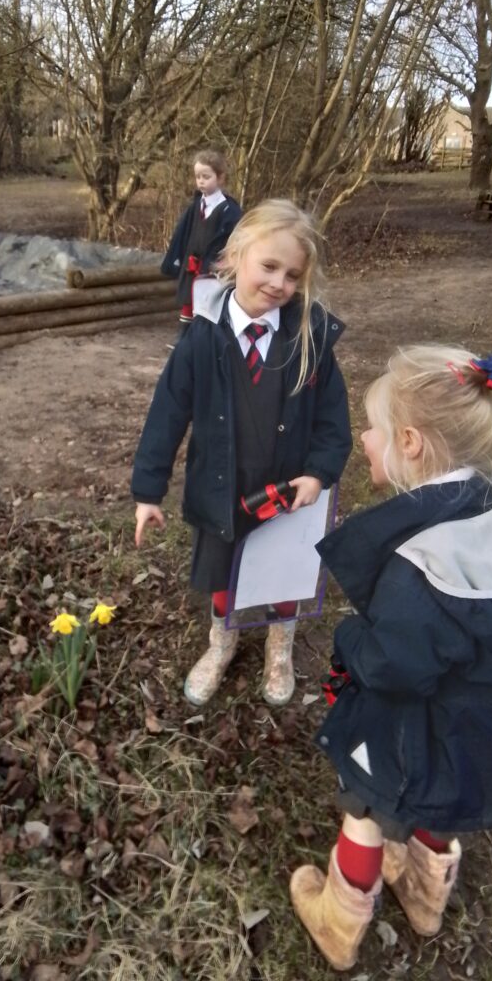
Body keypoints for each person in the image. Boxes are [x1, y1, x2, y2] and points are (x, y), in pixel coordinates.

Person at [290, 345, 492, 972]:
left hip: (415, 734)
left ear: (410, 443)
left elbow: (391, 665)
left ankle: (340, 921)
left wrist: (348, 643)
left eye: (374, 429)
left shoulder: (426, 562)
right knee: (445, 800)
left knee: (365, 802)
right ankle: (424, 896)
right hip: (486, 734)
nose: (365, 439)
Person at [133, 199, 352, 706]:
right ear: (236, 255)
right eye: (269, 266)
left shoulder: (310, 338)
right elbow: (166, 415)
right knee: (223, 577)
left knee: (281, 577)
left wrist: (319, 473)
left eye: (292, 275)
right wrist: (148, 491)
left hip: (287, 493)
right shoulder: (200, 338)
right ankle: (221, 644)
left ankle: (280, 650)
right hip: (221, 490)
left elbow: (333, 420)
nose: (279, 283)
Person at [161, 149, 242, 345]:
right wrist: (175, 260)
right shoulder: (195, 206)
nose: (201, 181)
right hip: (192, 268)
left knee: (207, 310)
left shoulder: (230, 211)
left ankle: (203, 345)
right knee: (188, 306)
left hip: (213, 270)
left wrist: (222, 266)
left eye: (206, 176)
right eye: (198, 177)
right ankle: (184, 344)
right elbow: (183, 234)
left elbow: (234, 243)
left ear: (220, 177)